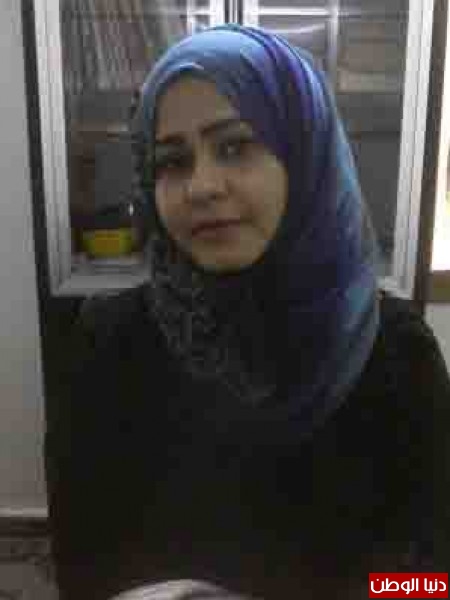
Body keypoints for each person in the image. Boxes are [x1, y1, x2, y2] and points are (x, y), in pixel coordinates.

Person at [45, 24, 450, 600]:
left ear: (305, 155)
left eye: (234, 147)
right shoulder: (109, 343)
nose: (201, 186)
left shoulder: (393, 354)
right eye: (172, 162)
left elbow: (427, 582)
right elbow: (82, 566)